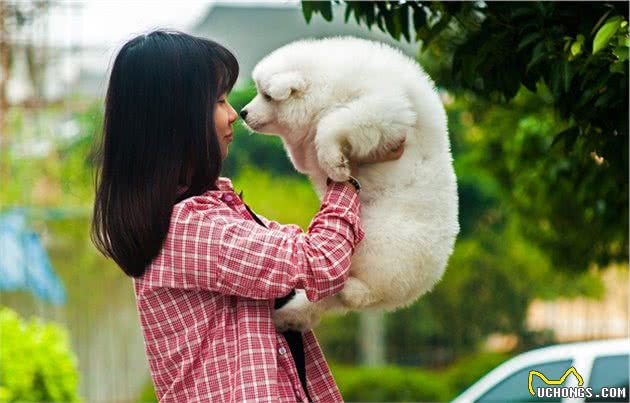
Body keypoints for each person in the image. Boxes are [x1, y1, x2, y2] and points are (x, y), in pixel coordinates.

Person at [91, 30, 404, 403]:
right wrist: (347, 174)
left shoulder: (208, 214)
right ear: (176, 120)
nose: (232, 115)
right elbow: (321, 262)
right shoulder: (191, 230)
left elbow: (300, 252)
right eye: (218, 101)